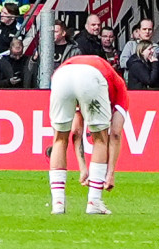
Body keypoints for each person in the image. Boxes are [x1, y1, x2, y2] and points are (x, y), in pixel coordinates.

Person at [47, 18, 126, 216]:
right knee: (100, 138)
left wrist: (83, 168)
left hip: (61, 74)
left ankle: (58, 203)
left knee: (59, 138)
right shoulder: (119, 87)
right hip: (91, 76)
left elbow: (76, 132)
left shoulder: (97, 73)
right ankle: (94, 202)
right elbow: (115, 135)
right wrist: (110, 174)